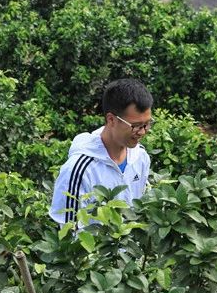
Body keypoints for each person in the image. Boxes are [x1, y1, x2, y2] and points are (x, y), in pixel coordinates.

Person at [49, 78, 153, 225]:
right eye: (135, 126)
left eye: (147, 124)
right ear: (111, 119)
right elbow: (68, 230)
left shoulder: (140, 157)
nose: (142, 132)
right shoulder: (80, 169)